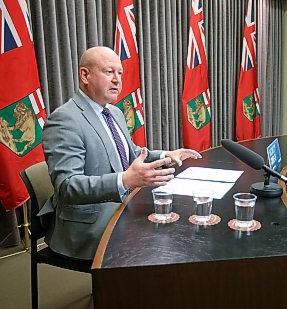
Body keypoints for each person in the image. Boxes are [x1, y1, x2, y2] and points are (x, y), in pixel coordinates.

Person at [40, 46, 201, 261]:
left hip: (123, 206)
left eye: (120, 73)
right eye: (109, 72)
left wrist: (166, 155)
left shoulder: (113, 112)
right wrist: (125, 180)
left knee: (180, 222)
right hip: (89, 224)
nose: (117, 80)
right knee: (162, 240)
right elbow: (68, 186)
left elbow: (130, 154)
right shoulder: (64, 120)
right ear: (84, 75)